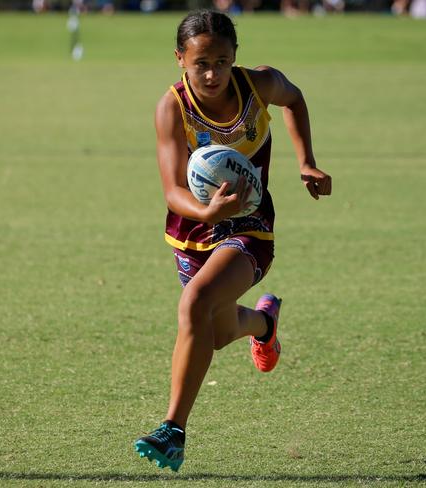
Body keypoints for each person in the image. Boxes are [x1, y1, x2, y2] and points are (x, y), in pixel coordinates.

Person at [133, 9, 331, 472]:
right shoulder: (172, 107)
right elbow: (172, 191)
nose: (212, 73)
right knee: (217, 333)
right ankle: (264, 325)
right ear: (180, 58)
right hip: (195, 230)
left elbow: (295, 99)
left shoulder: (257, 85)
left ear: (235, 58)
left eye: (222, 61)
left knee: (195, 304)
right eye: (201, 62)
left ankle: (172, 431)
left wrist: (307, 161)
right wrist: (206, 211)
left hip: (249, 227)